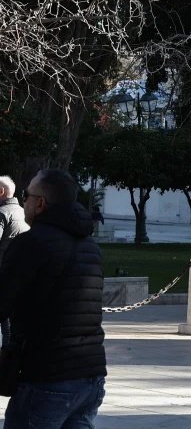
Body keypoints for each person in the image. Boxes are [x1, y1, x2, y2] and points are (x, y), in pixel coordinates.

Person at [0, 169, 106, 427]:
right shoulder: (90, 246)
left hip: (47, 377)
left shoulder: (32, 243)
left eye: (27, 196)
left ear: (40, 203)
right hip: (90, 375)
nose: (23, 201)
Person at [0, 175, 29, 348]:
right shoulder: (23, 212)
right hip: (19, 273)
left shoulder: (2, 213)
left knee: (5, 321)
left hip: (3, 272)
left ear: (1, 192)